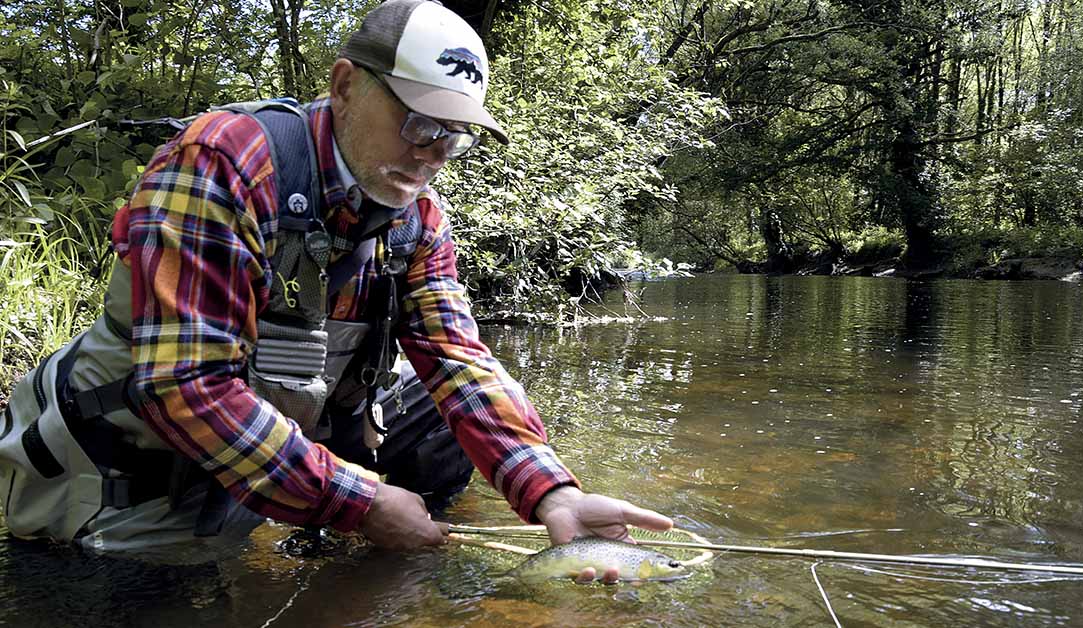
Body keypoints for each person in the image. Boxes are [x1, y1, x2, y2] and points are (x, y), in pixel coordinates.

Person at [0, 0, 669, 579]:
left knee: (439, 419)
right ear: (345, 85)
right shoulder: (224, 160)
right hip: (139, 461)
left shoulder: (417, 215)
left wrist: (550, 494)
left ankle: (360, 554)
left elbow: (460, 361)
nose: (433, 154)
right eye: (419, 124)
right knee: (159, 598)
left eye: (453, 137)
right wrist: (365, 503)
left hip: (278, 419)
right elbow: (187, 388)